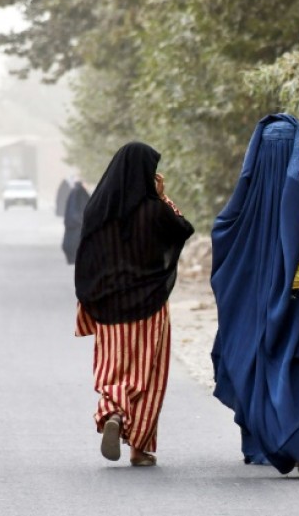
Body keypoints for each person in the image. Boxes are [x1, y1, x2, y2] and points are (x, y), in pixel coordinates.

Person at [210, 114, 299, 479]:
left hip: (254, 294)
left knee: (257, 356)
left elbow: (223, 230)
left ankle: (262, 443)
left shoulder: (247, 199)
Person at [73, 141, 194, 467]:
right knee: (149, 374)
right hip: (149, 306)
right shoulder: (154, 210)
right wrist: (161, 197)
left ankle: (112, 411)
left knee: (115, 366)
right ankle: (140, 448)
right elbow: (182, 228)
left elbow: (86, 256)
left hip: (109, 306)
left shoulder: (98, 210)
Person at [62, 180, 90, 264]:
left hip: (74, 225)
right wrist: (80, 220)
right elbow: (74, 210)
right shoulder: (79, 193)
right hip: (76, 226)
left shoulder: (76, 192)